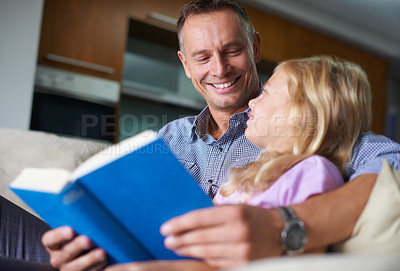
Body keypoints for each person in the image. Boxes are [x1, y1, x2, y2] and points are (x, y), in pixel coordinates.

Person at [23, 0, 400, 270]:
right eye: (202, 58)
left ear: (254, 46)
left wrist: (282, 226)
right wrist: (88, 244)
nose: (219, 69)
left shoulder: (303, 133)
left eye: (232, 50)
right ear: (185, 65)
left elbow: (392, 168)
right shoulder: (168, 138)